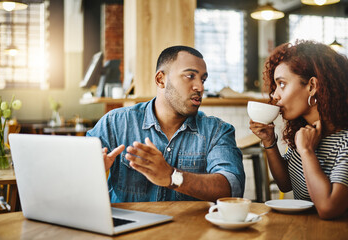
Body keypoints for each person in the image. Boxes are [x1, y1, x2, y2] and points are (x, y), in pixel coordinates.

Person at [87, 45, 244, 203]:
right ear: (160, 79)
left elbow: (232, 188)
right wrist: (91, 170)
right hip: (128, 227)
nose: (200, 87)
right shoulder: (115, 122)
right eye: (190, 76)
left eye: (203, 79)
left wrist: (172, 176)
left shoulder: (217, 131)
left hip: (190, 227)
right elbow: (72, 170)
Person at [249, 40, 348, 219]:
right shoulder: (304, 133)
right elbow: (286, 183)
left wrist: (307, 152)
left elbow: (328, 208)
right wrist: (269, 142)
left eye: (282, 84)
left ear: (312, 86)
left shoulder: (343, 142)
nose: (274, 95)